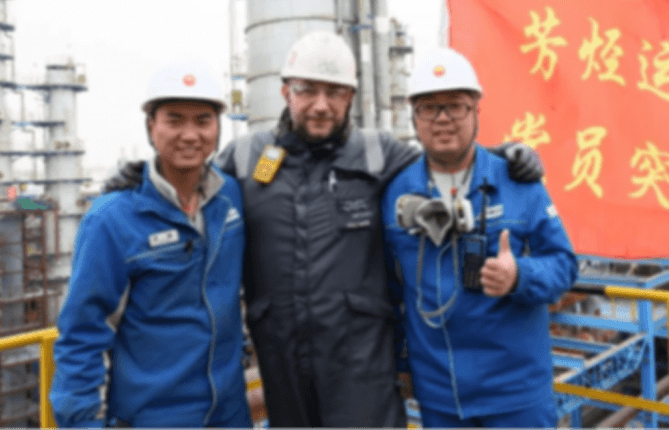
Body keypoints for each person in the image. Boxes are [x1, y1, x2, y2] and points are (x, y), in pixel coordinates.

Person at [104, 30, 544, 427]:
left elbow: (446, 159)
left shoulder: (378, 153)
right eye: (307, 90)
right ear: (285, 92)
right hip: (281, 361)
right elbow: (191, 177)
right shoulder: (246, 159)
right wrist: (141, 175)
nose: (321, 104)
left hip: (361, 366)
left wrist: (503, 156)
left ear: (350, 97)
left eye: (335, 92)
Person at [381, 47, 578, 428]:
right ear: (414, 117)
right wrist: (402, 364)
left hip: (515, 394)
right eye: (429, 108)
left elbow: (564, 265)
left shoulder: (518, 183)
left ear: (477, 112)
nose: (442, 119)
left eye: (456, 106)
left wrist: (519, 276)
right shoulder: (396, 195)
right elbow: (390, 292)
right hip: (440, 396)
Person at [50, 63, 252, 428]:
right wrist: (82, 421)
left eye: (203, 120)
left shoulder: (230, 200)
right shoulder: (112, 219)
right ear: (150, 127)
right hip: (153, 416)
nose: (190, 135)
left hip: (229, 412)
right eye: (174, 120)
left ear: (218, 128)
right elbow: (83, 333)